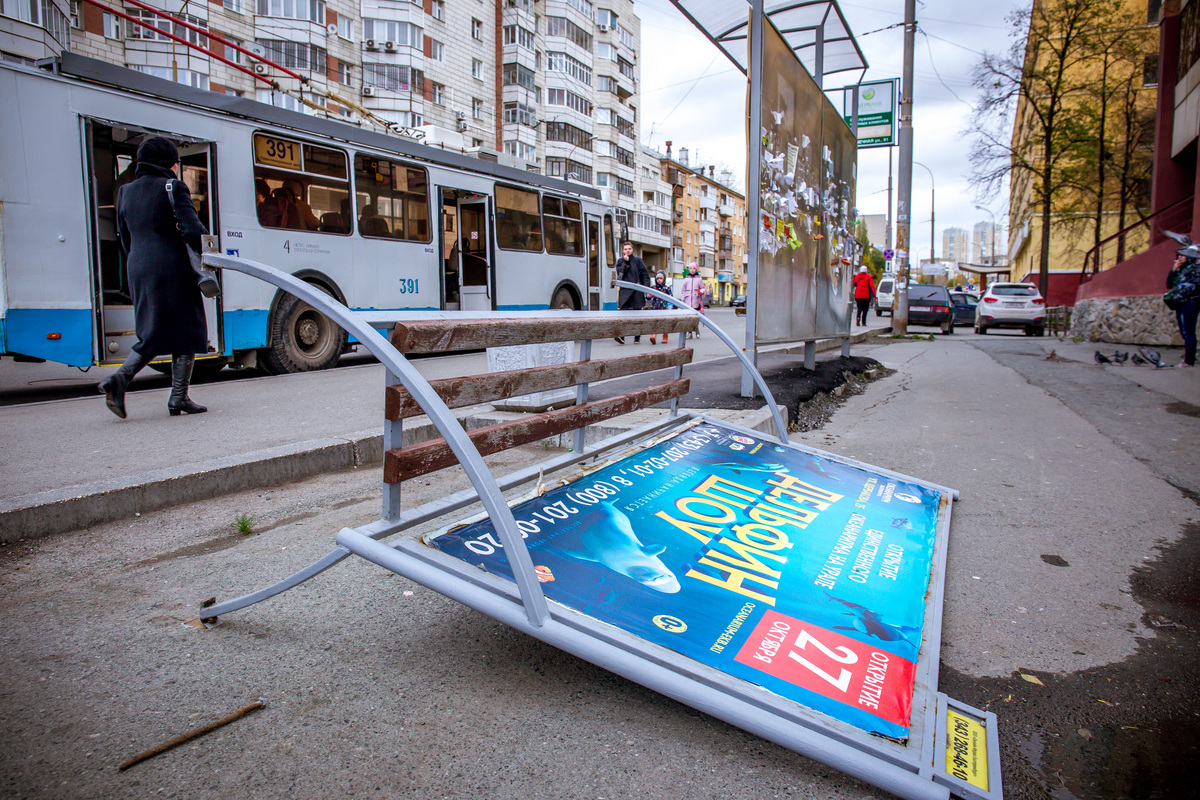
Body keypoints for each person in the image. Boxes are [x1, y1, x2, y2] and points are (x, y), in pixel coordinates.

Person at [99, 136, 209, 418]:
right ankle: (158, 391)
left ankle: (172, 395)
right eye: (175, 160)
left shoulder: (126, 192)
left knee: (154, 329)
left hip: (137, 265)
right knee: (188, 328)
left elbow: (124, 235)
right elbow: (192, 231)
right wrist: (207, 259)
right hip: (171, 266)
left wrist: (138, 259)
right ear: (167, 162)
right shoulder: (174, 187)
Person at [1168, 251, 1200, 367]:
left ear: (1190, 257)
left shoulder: (1196, 269)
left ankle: (1189, 360)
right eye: (1179, 255)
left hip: (1190, 302)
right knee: (1183, 331)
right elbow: (1169, 284)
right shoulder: (1180, 269)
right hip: (1179, 303)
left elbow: (1195, 285)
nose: (1180, 257)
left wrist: (1181, 290)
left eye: (1183, 255)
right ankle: (1188, 356)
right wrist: (1173, 271)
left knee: (1188, 331)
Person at [614, 240, 649, 344]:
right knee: (623, 315)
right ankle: (622, 337)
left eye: (629, 249)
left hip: (637, 292)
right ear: (622, 251)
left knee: (637, 316)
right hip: (625, 292)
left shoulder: (638, 260)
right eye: (625, 249)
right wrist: (626, 262)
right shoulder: (620, 261)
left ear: (632, 250)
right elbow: (620, 274)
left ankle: (637, 337)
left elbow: (644, 274)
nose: (627, 251)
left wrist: (646, 288)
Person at [647, 270, 673, 345]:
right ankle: (654, 335)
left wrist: (670, 306)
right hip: (655, 307)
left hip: (664, 308)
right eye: (657, 278)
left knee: (664, 322)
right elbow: (648, 297)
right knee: (655, 322)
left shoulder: (666, 288)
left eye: (661, 278)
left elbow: (671, 298)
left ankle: (665, 336)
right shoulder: (653, 288)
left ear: (664, 279)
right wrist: (648, 296)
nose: (659, 280)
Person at [680, 263, 705, 339]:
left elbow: (703, 289)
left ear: (696, 269)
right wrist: (682, 301)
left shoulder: (699, 279)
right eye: (690, 268)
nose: (692, 270)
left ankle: (696, 330)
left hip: (696, 302)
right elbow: (683, 291)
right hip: (687, 302)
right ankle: (689, 333)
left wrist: (700, 291)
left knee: (695, 318)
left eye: (694, 268)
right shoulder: (686, 279)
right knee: (688, 319)